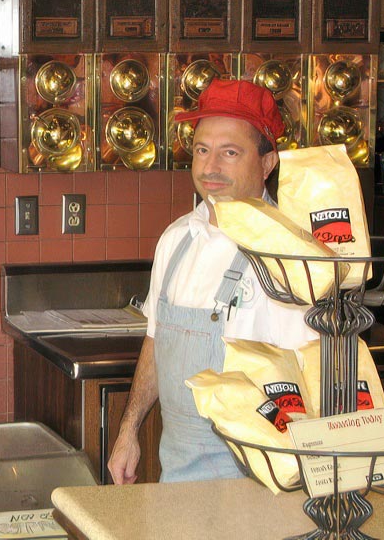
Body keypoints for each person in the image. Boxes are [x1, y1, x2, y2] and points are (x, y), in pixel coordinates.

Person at [106, 79, 316, 485]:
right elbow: (157, 341)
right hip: (179, 476)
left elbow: (311, 377)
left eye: (230, 153)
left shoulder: (289, 254)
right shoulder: (176, 240)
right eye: (202, 150)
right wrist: (129, 430)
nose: (210, 167)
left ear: (268, 163)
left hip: (257, 481)